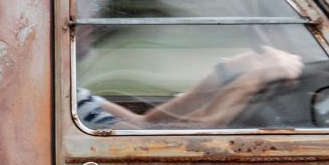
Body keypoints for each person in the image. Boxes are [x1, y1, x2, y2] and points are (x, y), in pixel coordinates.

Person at [74, 45, 305, 131]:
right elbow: (192, 134)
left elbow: (144, 124)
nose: (89, 23)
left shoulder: (76, 95)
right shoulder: (69, 104)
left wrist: (227, 70)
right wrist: (251, 81)